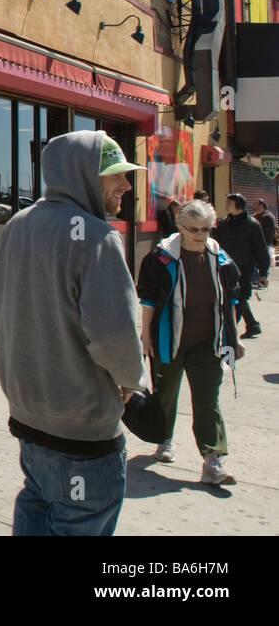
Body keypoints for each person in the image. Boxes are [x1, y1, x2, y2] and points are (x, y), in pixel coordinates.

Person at [0, 131, 145, 536]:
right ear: (84, 176)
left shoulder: (19, 225)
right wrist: (132, 382)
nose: (126, 186)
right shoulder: (98, 237)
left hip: (28, 418)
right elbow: (115, 336)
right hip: (82, 432)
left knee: (37, 502)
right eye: (115, 176)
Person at [136, 199, 244, 485]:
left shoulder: (221, 260)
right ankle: (164, 439)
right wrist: (145, 335)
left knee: (208, 401)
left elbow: (230, 302)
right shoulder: (161, 258)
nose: (201, 234)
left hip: (207, 344)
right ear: (180, 227)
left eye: (207, 228)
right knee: (165, 395)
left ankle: (212, 460)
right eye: (194, 229)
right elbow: (147, 299)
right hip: (168, 340)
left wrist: (233, 339)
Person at [213, 194, 268, 339]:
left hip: (245, 269)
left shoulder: (252, 224)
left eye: (229, 203)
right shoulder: (223, 223)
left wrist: (264, 273)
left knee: (240, 298)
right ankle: (253, 325)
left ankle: (229, 332)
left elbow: (261, 250)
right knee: (234, 298)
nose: (226, 205)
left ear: (238, 205)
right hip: (225, 268)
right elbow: (215, 245)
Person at [253, 200, 276, 287]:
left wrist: (263, 245)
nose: (253, 205)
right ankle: (255, 280)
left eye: (255, 203)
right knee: (255, 264)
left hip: (264, 245)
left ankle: (261, 280)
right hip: (256, 245)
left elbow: (269, 234)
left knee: (262, 264)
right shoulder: (255, 216)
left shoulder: (268, 217)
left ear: (261, 206)